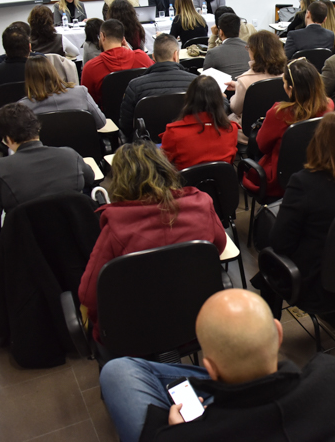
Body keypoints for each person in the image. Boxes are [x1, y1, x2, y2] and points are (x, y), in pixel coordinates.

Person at [99, 289, 335, 442]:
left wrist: (174, 430)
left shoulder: (183, 437)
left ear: (210, 368)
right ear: (278, 334)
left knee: (116, 371)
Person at [78, 141, 228, 343]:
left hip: (137, 330)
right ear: (165, 168)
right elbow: (218, 247)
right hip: (197, 317)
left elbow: (89, 295)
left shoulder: (115, 225)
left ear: (120, 180)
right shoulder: (201, 203)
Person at [258, 111, 335, 322]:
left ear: (320, 142)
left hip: (318, 286)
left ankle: (269, 330)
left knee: (268, 261)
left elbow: (280, 243)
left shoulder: (304, 183)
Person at [0, 103, 94, 229]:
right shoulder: (70, 155)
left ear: (8, 139)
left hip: (27, 243)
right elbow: (90, 178)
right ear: (38, 129)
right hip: (76, 237)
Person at [242, 59, 334, 198]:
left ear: (291, 88)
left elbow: (262, 146)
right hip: (317, 170)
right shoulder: (328, 105)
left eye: (284, 82)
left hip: (280, 181)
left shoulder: (278, 113)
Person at [119, 34, 196, 138]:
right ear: (176, 55)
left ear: (153, 56)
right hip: (187, 142)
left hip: (147, 149)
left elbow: (126, 125)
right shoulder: (196, 82)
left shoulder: (135, 86)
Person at [161, 76, 239, 169]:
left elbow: (163, 166)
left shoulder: (174, 133)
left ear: (189, 98)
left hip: (184, 182)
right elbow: (230, 161)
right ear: (219, 99)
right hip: (222, 182)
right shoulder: (231, 129)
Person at [227, 30, 287, 142]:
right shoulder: (286, 76)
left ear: (254, 51)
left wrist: (234, 95)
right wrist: (239, 87)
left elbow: (236, 109)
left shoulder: (245, 81)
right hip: (280, 129)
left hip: (250, 133)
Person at [19, 54, 106, 129]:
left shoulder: (24, 107)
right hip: (83, 147)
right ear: (53, 71)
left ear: (28, 79)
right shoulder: (81, 93)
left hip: (47, 148)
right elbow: (101, 123)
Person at [81, 19, 154, 106]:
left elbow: (87, 101)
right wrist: (131, 51)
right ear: (123, 39)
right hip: (138, 114)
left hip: (107, 117)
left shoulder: (91, 68)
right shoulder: (142, 58)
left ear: (102, 36)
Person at [0, 25, 30, 94]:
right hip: (34, 104)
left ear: (5, 47)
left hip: (3, 104)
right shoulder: (40, 68)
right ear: (29, 47)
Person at [202, 13, 250, 79]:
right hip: (249, 87)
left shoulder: (213, 53)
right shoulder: (252, 49)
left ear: (221, 32)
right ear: (239, 31)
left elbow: (205, 80)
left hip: (226, 88)